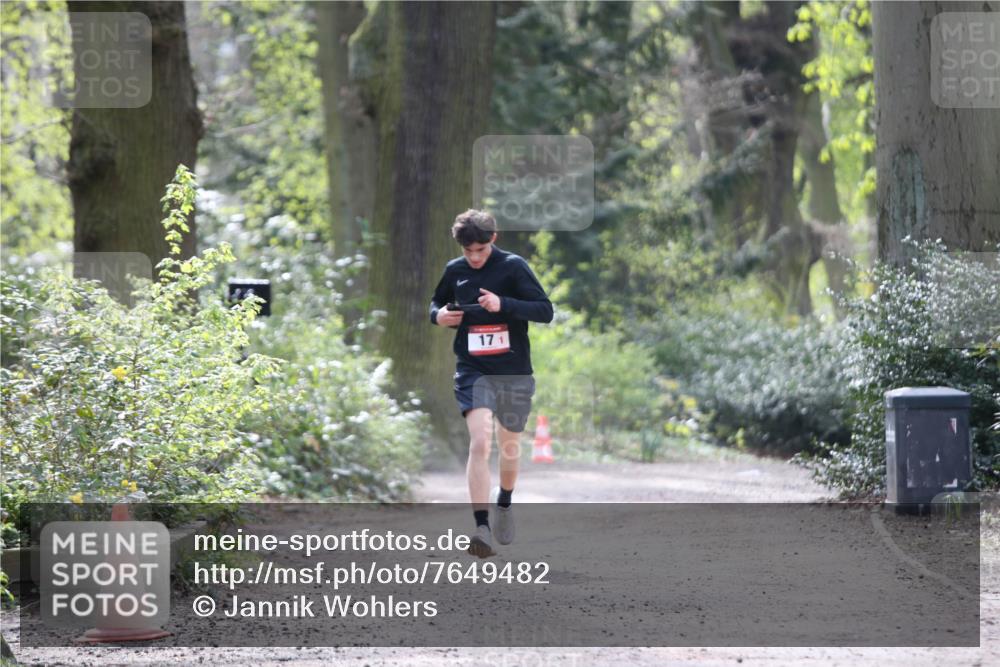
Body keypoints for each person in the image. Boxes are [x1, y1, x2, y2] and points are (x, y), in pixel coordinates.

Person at [429, 209, 554, 558]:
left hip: (513, 369)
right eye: (468, 252)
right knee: (480, 442)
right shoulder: (455, 270)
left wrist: (505, 305)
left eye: (480, 251)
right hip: (473, 369)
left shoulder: (514, 267)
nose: (474, 258)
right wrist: (438, 315)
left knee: (509, 447)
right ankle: (481, 526)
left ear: (493, 240)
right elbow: (435, 302)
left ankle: (505, 501)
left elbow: (545, 310)